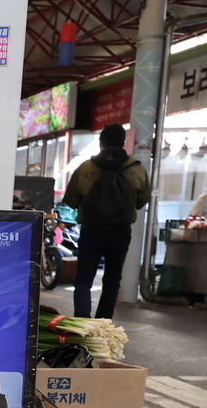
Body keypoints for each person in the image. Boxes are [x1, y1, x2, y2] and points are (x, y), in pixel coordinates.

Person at [63, 122, 150, 319]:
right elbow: (141, 201)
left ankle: (83, 322)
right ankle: (103, 323)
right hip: (120, 232)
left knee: (84, 280)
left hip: (91, 230)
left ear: (101, 143)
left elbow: (71, 200)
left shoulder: (85, 168)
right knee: (112, 281)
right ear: (123, 143)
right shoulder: (137, 170)